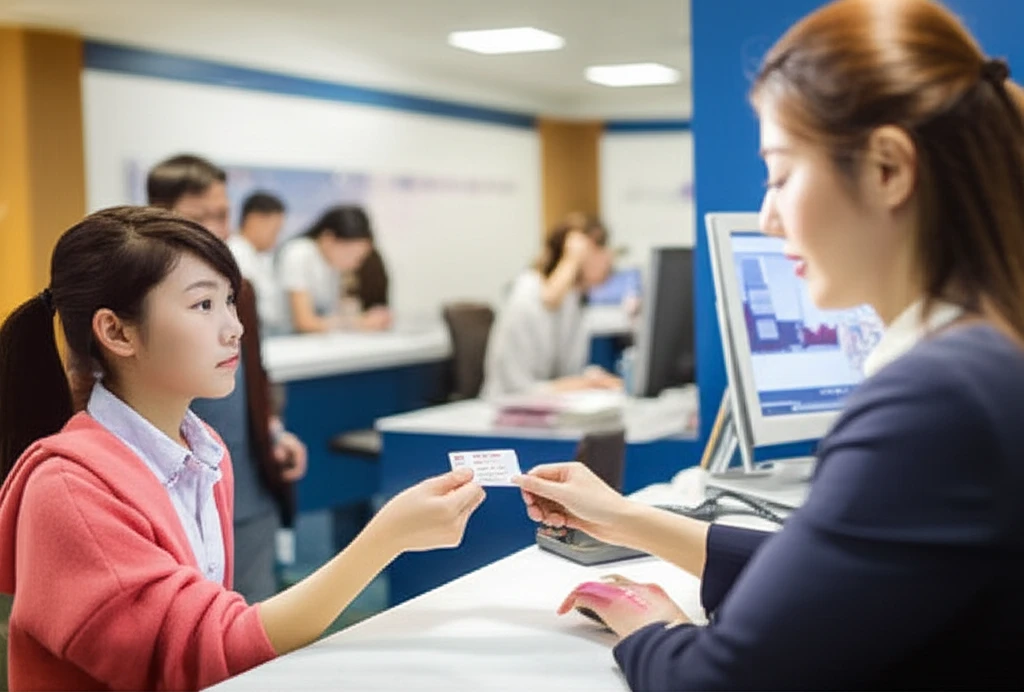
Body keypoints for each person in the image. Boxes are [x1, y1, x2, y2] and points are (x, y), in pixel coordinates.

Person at [512, 0, 1024, 688]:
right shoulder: (988, 356)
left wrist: (649, 629)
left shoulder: (938, 397)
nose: (768, 216)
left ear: (888, 169)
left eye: (781, 174)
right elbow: (835, 575)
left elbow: (726, 681)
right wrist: (630, 519)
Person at [0, 206, 485, 691]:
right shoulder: (69, 490)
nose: (234, 328)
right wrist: (386, 539)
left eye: (230, 301)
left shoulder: (204, 450)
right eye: (203, 305)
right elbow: (204, 657)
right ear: (117, 332)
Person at [147, 155, 305, 604]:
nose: (218, 229)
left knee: (256, 616)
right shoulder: (136, 299)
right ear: (160, 213)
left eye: (223, 215)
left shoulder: (241, 289)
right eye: (201, 217)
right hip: (172, 490)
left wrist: (273, 429)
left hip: (246, 479)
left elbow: (255, 374)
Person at [481, 218, 622, 398]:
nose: (609, 257)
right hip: (509, 411)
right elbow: (517, 390)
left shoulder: (573, 301)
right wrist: (582, 384)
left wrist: (590, 380)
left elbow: (566, 374)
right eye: (600, 247)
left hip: (552, 410)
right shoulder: (526, 298)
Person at [278, 205, 390, 333]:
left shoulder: (331, 266)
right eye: (351, 255)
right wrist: (360, 322)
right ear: (328, 239)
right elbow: (304, 322)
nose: (355, 264)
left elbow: (329, 315)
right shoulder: (298, 253)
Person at [228, 191, 288, 336]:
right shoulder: (235, 252)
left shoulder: (258, 256)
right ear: (254, 220)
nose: (276, 239)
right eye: (275, 231)